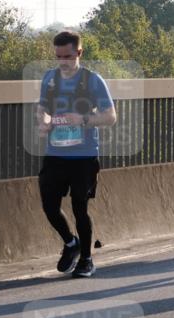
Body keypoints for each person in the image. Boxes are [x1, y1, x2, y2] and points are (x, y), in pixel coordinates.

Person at [36, 30, 117, 277]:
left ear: (79, 52)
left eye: (68, 56)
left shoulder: (93, 80)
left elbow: (110, 117)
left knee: (80, 207)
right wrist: (44, 122)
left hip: (83, 156)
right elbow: (42, 108)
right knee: (49, 206)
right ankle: (71, 243)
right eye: (58, 56)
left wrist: (82, 119)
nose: (63, 61)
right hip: (55, 154)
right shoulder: (50, 78)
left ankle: (86, 259)